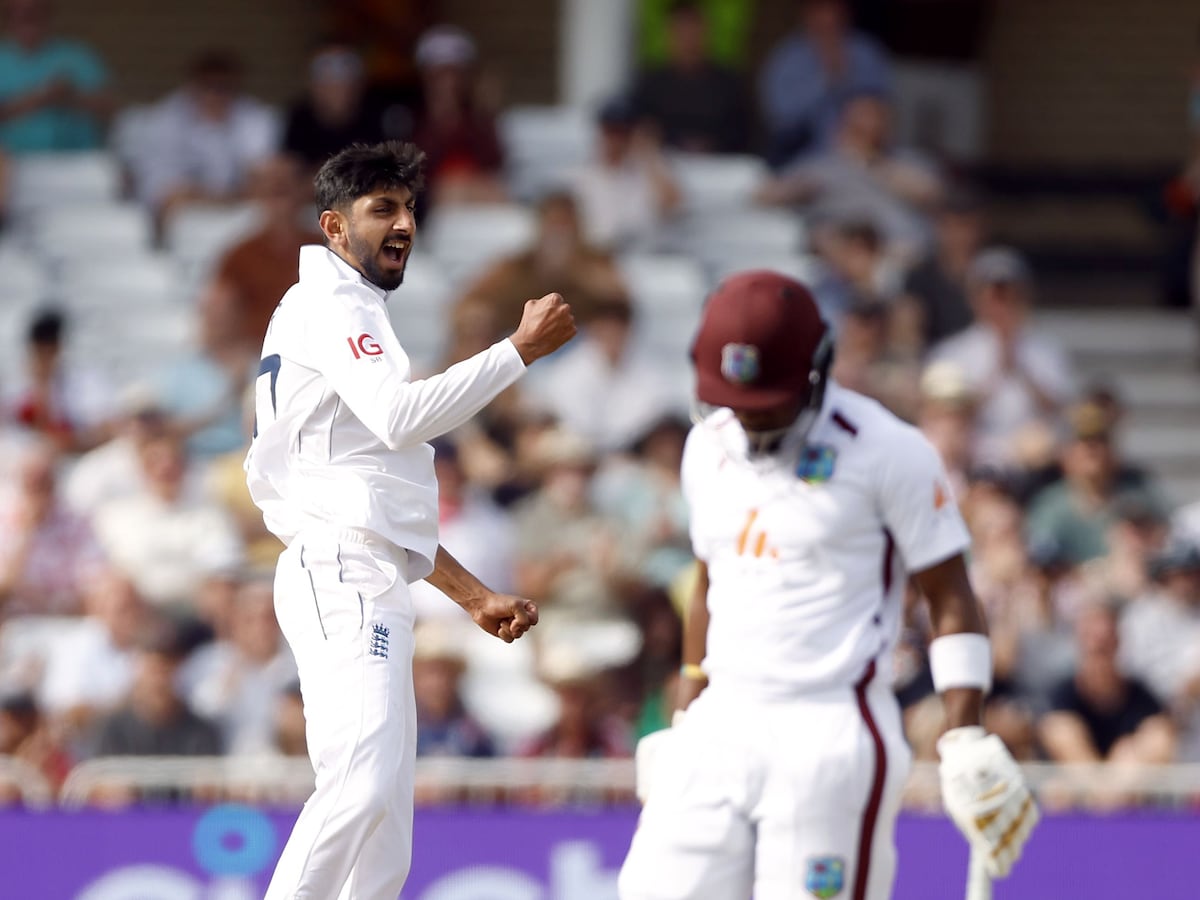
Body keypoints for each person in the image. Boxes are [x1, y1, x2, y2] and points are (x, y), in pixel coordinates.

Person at [618, 271, 1037, 899]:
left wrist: (965, 731)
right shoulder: (707, 445)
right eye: (738, 404)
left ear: (817, 370)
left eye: (768, 406)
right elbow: (711, 579)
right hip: (720, 722)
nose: (751, 424)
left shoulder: (889, 451)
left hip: (829, 731)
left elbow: (950, 594)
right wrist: (685, 710)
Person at [244, 140, 575, 899]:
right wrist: (517, 352)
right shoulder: (331, 302)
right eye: (382, 208)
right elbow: (398, 420)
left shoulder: (347, 308)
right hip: (339, 570)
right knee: (359, 788)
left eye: (410, 208)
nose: (404, 224)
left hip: (365, 569)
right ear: (333, 227)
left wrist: (471, 595)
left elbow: (377, 493)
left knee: (386, 833)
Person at [928, 247, 1076, 467]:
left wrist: (1020, 369)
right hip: (972, 460)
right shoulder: (953, 352)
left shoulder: (1047, 349)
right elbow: (945, 415)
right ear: (975, 298)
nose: (1001, 304)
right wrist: (996, 372)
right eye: (993, 296)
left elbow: (1062, 410)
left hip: (1035, 459)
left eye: (1009, 295)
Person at [454, 190, 631, 338]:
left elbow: (622, 297)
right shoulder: (517, 265)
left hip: (582, 352)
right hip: (525, 349)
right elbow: (466, 303)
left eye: (565, 226)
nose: (558, 234)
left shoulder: (595, 260)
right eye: (552, 225)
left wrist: (577, 269)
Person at [132, 49, 279, 225]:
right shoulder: (165, 119)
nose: (215, 95)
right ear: (193, 87)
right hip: (187, 217)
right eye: (208, 86)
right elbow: (159, 187)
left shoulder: (256, 118)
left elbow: (264, 178)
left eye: (224, 87)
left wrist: (223, 197)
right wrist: (212, 197)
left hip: (240, 213)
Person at [200, 153, 326, 349]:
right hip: (255, 360)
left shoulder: (328, 251)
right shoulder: (239, 255)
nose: (278, 200)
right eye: (270, 190)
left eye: (283, 188)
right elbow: (217, 321)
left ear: (302, 190)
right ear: (257, 193)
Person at [758, 0, 893, 166]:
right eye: (821, 9)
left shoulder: (866, 52)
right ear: (807, 14)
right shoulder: (787, 58)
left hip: (863, 157)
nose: (828, 17)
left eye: (834, 9)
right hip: (804, 159)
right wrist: (826, 80)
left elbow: (880, 109)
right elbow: (781, 119)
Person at [629, 0, 749, 154]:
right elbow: (640, 127)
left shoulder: (727, 83)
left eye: (693, 29)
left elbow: (742, 132)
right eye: (681, 30)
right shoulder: (651, 83)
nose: (687, 38)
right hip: (664, 162)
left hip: (717, 164)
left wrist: (709, 145)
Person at [571, 95, 683, 252]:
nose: (616, 139)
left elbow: (674, 205)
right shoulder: (581, 177)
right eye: (611, 131)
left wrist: (648, 151)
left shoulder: (650, 172)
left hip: (644, 257)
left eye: (624, 132)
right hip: (596, 258)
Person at [0, 0, 114, 154]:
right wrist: (41, 97)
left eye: (33, 13)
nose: (25, 18)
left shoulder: (78, 55)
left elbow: (110, 108)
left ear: (48, 14)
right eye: (16, 13)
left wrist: (72, 97)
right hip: (11, 164)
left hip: (75, 160)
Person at [282, 42, 388, 177]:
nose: (336, 82)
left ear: (361, 80)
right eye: (324, 70)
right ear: (309, 81)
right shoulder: (297, 120)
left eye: (346, 69)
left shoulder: (382, 118)